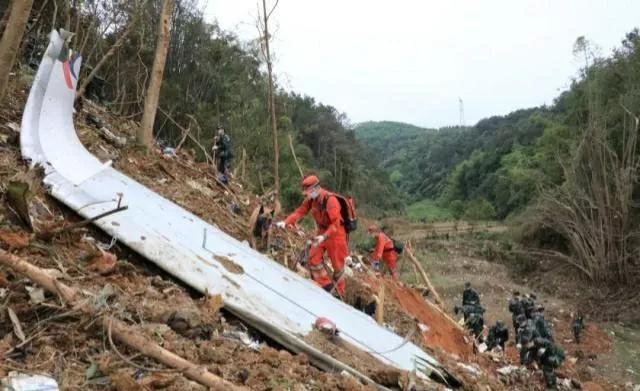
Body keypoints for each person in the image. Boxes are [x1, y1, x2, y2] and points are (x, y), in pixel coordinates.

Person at [275, 175, 349, 296]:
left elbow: (335, 224)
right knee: (313, 257)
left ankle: (339, 294)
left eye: (308, 192)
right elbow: (300, 212)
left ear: (316, 188)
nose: (306, 195)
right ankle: (325, 286)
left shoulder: (331, 200)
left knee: (337, 265)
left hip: (336, 234)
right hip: (321, 231)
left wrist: (324, 237)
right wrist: (286, 222)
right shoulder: (311, 200)